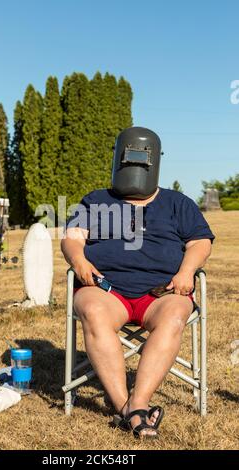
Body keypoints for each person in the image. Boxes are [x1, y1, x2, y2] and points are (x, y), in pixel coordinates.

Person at [61, 127, 215, 438]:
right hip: (106, 290)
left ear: (154, 162)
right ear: (117, 159)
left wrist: (186, 272)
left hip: (162, 292)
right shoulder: (96, 200)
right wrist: (79, 261)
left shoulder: (178, 203)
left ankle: (137, 403)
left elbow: (200, 241)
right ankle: (128, 409)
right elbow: (72, 239)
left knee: (174, 316)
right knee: (92, 310)